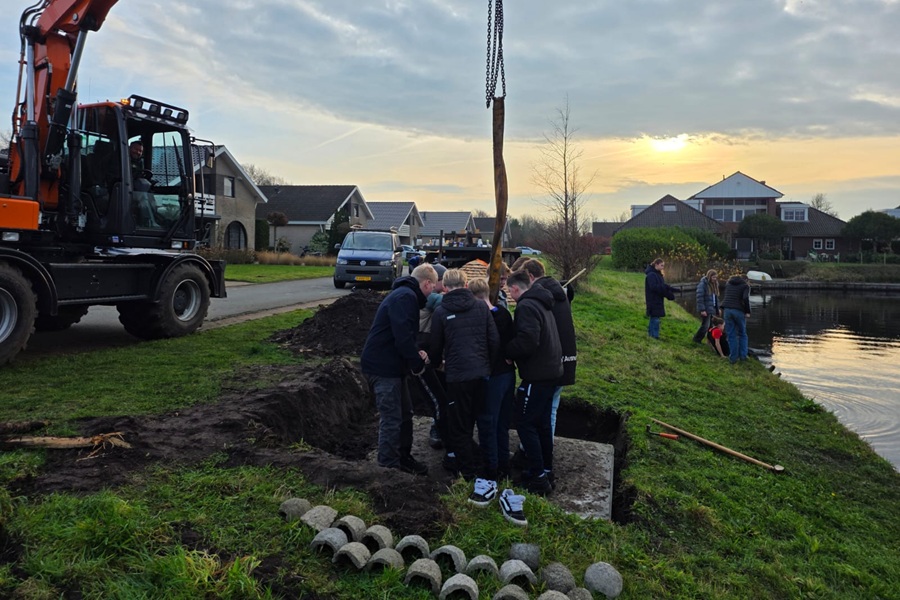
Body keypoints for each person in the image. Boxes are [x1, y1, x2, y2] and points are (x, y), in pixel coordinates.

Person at [360, 263, 438, 475]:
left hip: (393, 367)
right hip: (382, 368)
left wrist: (416, 352)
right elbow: (402, 337)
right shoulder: (405, 298)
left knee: (405, 413)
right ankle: (388, 469)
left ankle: (403, 458)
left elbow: (405, 337)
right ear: (427, 283)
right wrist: (417, 363)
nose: (433, 293)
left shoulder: (407, 296)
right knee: (392, 418)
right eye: (434, 287)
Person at [429, 269, 499, 486]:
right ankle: (491, 467)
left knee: (460, 425)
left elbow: (435, 346)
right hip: (481, 374)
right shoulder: (480, 307)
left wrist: (435, 363)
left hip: (457, 377)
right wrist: (488, 366)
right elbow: (494, 340)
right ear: (466, 284)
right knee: (484, 420)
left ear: (445, 287)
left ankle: (468, 474)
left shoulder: (441, 311)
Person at [504, 269, 562, 500]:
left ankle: (537, 476)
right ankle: (546, 470)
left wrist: (508, 352)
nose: (510, 295)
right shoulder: (543, 301)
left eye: (510, 291)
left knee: (525, 423)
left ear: (516, 288)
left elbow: (528, 340)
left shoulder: (526, 307)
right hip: (551, 372)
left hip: (537, 375)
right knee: (542, 425)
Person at [468, 277, 516, 502]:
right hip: (508, 376)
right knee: (502, 424)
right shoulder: (504, 314)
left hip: (492, 378)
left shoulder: (480, 318)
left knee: (487, 423)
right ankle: (504, 465)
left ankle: (490, 471)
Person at [520, 259, 577, 446]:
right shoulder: (559, 292)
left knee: (533, 411)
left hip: (547, 364)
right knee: (551, 409)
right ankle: (546, 451)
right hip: (565, 360)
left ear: (530, 276)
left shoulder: (540, 297)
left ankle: (528, 450)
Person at [721, 273, 751, 363]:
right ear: (746, 280)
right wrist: (747, 311)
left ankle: (733, 358)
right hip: (738, 310)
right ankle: (743, 356)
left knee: (731, 334)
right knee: (742, 334)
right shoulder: (745, 286)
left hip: (727, 310)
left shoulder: (729, 284)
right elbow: (745, 298)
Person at [644, 258, 677, 339]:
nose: (663, 267)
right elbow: (654, 287)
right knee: (655, 319)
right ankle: (654, 336)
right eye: (661, 265)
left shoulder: (658, 275)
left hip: (657, 299)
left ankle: (651, 335)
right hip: (653, 299)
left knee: (654, 318)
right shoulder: (652, 275)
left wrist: (668, 291)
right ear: (656, 265)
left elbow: (661, 287)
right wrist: (666, 289)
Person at [692, 269, 719, 343]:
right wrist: (702, 310)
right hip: (706, 309)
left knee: (711, 327)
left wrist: (717, 309)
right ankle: (696, 339)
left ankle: (710, 341)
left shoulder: (714, 285)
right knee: (705, 326)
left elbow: (715, 298)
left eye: (716, 277)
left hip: (711, 308)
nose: (715, 279)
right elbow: (700, 297)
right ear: (709, 276)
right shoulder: (703, 285)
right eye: (713, 277)